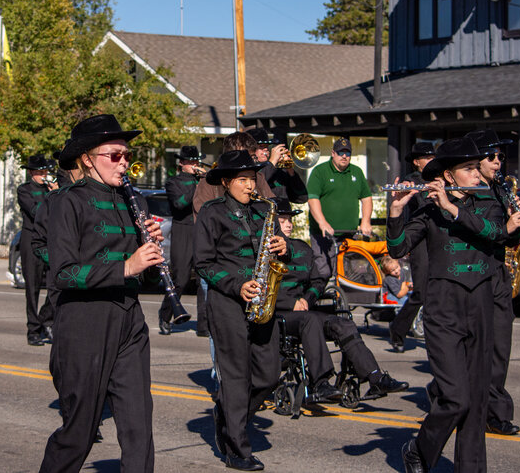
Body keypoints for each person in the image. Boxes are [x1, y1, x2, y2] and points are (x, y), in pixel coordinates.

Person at [389, 138, 520, 473]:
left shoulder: (491, 203)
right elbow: (398, 247)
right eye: (468, 169)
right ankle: (419, 450)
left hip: (480, 307)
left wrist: (453, 209)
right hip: (443, 310)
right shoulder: (430, 209)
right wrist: (394, 212)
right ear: (449, 176)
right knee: (455, 398)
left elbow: (497, 232)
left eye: (476, 167)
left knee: (477, 404)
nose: (478, 174)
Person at [40, 114, 162, 473]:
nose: (124, 162)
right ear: (87, 158)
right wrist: (126, 266)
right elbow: (63, 273)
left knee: (139, 426)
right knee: (80, 430)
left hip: (129, 318)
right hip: (83, 322)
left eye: (126, 155)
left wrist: (151, 254)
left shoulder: (134, 201)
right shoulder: (67, 202)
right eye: (114, 155)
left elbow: (146, 276)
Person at [194, 150, 289, 471]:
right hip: (227, 303)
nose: (251, 186)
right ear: (226, 182)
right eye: (244, 180)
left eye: (253, 179)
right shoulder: (212, 213)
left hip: (262, 300)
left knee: (269, 374)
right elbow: (203, 263)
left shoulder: (264, 211)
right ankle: (237, 447)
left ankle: (227, 413)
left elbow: (275, 253)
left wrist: (283, 246)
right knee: (236, 377)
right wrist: (237, 285)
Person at [273, 198, 408, 404]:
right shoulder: (263, 252)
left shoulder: (302, 248)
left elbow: (318, 280)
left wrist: (308, 298)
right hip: (279, 314)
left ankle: (375, 377)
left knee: (343, 322)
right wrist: (289, 303)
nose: (289, 224)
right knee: (309, 321)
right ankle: (320, 382)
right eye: (283, 220)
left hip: (306, 308)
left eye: (290, 220)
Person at [466, 128, 520, 436]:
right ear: (478, 161)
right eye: (492, 157)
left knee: (500, 345)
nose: (498, 162)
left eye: (501, 157)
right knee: (473, 348)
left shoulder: (503, 190)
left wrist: (516, 224)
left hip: (498, 274)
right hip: (474, 275)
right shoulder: (469, 192)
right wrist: (504, 226)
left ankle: (497, 412)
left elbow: (511, 238)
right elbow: (475, 230)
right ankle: (453, 396)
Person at [306, 137, 373, 284]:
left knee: (349, 273)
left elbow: (366, 198)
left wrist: (366, 222)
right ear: (333, 153)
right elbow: (312, 199)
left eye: (347, 153)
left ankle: (342, 303)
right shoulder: (320, 171)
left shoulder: (356, 171)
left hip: (349, 234)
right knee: (324, 271)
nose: (344, 156)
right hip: (323, 234)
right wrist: (323, 223)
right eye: (340, 152)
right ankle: (319, 301)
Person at [388, 142, 435, 352]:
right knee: (422, 292)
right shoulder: (414, 179)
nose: (432, 161)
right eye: (427, 158)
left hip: (440, 239)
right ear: (417, 162)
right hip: (421, 240)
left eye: (434, 157)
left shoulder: (441, 178)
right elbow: (417, 197)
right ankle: (398, 330)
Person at [161, 145, 208, 336]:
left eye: (197, 161)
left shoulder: (203, 180)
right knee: (180, 279)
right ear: (182, 163)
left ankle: (204, 326)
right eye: (192, 162)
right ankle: (165, 315)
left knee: (203, 279)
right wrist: (197, 185)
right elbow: (180, 203)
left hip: (202, 229)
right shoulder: (173, 182)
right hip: (183, 230)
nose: (196, 165)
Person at [16, 154, 59, 345]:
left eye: (46, 172)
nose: (44, 176)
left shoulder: (53, 190)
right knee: (32, 287)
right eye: (41, 172)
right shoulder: (24, 190)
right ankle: (33, 329)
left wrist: (56, 193)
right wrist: (52, 196)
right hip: (31, 239)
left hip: (50, 240)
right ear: (32, 173)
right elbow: (35, 212)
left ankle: (46, 319)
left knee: (56, 284)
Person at [192, 131, 275, 218]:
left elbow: (272, 204)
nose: (250, 162)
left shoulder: (258, 177)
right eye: (244, 157)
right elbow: (204, 220)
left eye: (253, 157)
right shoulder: (208, 182)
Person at [245, 127, 309, 204]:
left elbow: (302, 198)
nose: (266, 149)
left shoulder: (277, 171)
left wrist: (290, 170)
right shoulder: (247, 170)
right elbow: (257, 183)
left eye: (267, 146)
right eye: (261, 146)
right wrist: (273, 161)